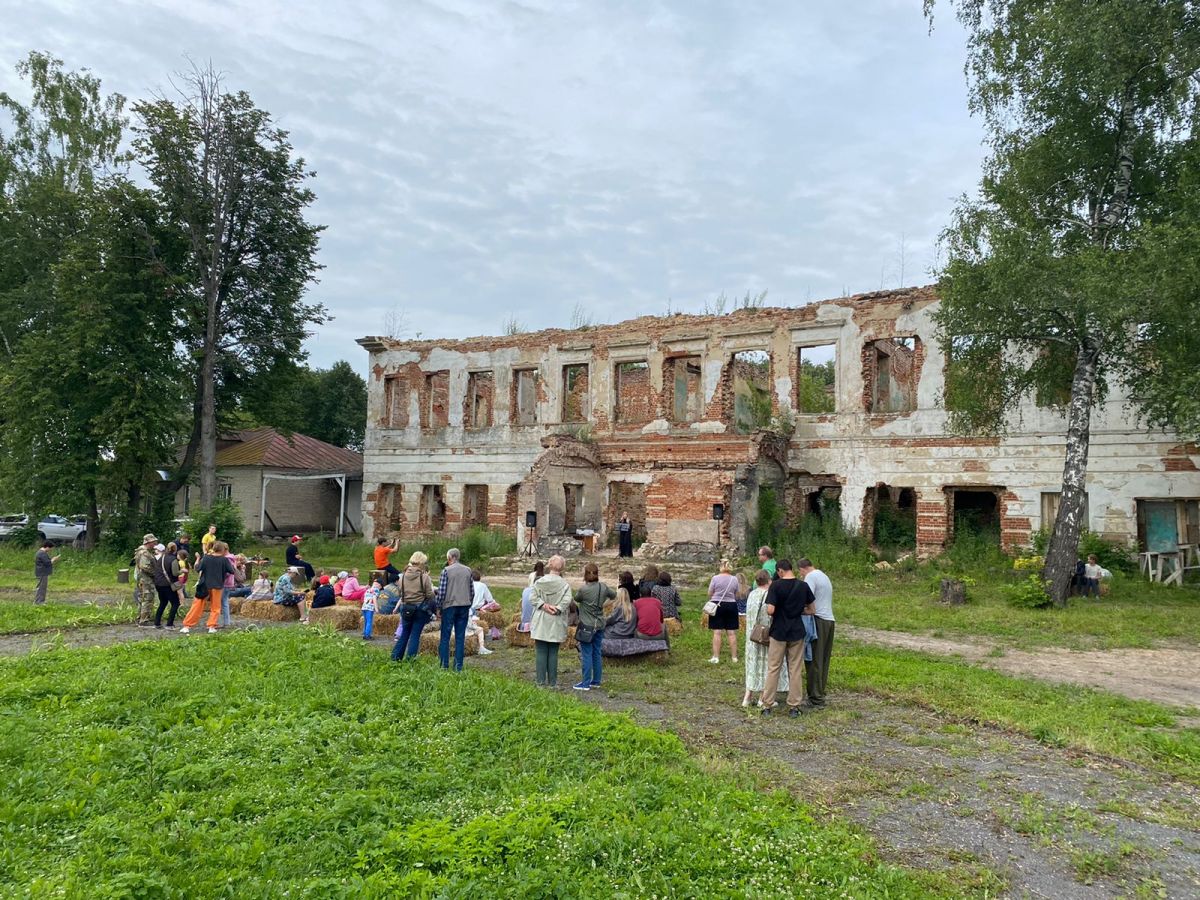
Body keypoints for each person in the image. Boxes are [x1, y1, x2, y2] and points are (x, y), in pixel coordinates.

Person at [761, 559, 816, 718]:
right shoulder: (803, 586)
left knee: (773, 668)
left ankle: (767, 705)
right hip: (796, 631)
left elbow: (770, 610)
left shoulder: (776, 586)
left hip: (778, 631)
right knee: (795, 669)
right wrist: (799, 611)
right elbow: (812, 609)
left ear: (780, 571)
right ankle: (794, 706)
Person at [743, 569, 787, 707]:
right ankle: (763, 698)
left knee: (752, 666)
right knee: (765, 665)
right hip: (765, 636)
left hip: (752, 635)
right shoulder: (769, 595)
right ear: (769, 580)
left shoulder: (752, 594)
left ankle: (747, 697)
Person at [798, 558, 834, 710]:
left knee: (813, 660)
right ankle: (820, 692)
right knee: (823, 660)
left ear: (802, 569)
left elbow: (807, 597)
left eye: (800, 573)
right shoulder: (823, 576)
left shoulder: (810, 577)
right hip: (829, 620)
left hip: (818, 621)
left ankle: (815, 699)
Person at [572, 562, 615, 691]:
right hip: (600, 624)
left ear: (585, 575)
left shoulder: (583, 590)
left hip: (587, 625)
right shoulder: (603, 587)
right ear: (597, 574)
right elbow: (614, 596)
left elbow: (576, 599)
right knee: (596, 652)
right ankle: (596, 680)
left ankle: (585, 683)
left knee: (586, 654)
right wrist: (604, 604)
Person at [531, 555, 572, 686]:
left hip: (541, 619)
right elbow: (567, 600)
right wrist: (558, 608)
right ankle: (553, 682)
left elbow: (532, 597)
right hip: (556, 620)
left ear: (549, 565)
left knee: (541, 651)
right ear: (563, 568)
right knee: (553, 652)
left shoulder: (539, 582)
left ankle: (540, 681)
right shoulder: (565, 585)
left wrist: (543, 606)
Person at [181, 540, 237, 634]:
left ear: (214, 548)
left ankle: (187, 625)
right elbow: (232, 571)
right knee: (215, 607)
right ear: (223, 550)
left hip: (204, 585)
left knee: (197, 605)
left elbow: (198, 568)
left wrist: (198, 559)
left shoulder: (206, 558)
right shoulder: (224, 560)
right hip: (217, 585)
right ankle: (211, 626)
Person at [391, 552, 436, 661]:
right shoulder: (424, 577)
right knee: (415, 635)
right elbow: (430, 595)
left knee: (405, 633)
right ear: (422, 563)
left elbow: (400, 592)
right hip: (419, 609)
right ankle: (410, 660)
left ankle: (395, 657)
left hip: (406, 607)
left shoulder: (403, 576)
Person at [435, 548, 475, 671]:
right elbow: (472, 591)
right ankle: (458, 666)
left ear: (450, 558)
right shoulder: (468, 570)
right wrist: (469, 604)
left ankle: (444, 665)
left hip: (449, 606)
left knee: (445, 636)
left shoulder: (446, 571)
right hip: (464, 605)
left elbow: (441, 592)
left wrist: (438, 607)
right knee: (460, 637)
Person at [706, 559, 741, 664]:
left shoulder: (715, 578)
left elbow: (710, 593)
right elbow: (737, 594)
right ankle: (734, 657)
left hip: (717, 605)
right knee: (731, 633)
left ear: (720, 566)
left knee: (717, 632)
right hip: (731, 605)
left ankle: (716, 657)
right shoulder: (734, 579)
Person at [152, 541, 181, 629]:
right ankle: (169, 624)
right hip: (167, 584)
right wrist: (182, 571)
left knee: (163, 602)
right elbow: (175, 573)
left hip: (158, 583)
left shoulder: (162, 557)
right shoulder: (173, 559)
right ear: (175, 549)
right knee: (175, 603)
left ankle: (157, 622)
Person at [132, 533, 159, 627]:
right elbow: (144, 567)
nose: (155, 544)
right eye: (153, 542)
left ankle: (140, 618)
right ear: (148, 542)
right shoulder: (144, 553)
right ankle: (144, 620)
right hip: (146, 580)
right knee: (148, 599)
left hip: (142, 579)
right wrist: (155, 573)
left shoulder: (142, 551)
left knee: (142, 599)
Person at [466, 570, 496, 656]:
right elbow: (490, 600)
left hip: (469, 609)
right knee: (479, 629)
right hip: (476, 610)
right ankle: (481, 647)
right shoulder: (483, 586)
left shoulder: (467, 585)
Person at [606, 573, 638, 638]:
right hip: (629, 634)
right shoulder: (633, 608)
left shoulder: (619, 608)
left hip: (617, 633)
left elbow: (609, 620)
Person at [33, 540, 59, 606]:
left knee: (41, 587)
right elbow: (48, 563)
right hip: (42, 573)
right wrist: (54, 559)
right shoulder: (42, 553)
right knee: (41, 588)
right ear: (47, 547)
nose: (50, 550)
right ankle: (39, 602)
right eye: (50, 548)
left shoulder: (40, 552)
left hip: (41, 572)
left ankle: (39, 601)